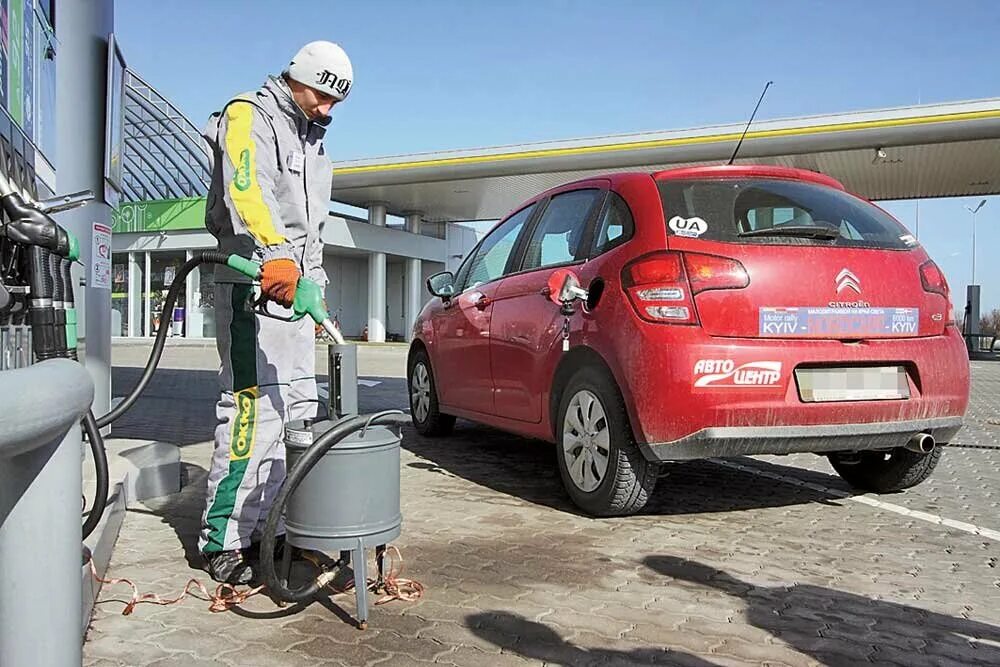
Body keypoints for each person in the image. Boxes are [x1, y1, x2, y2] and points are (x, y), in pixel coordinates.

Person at [198, 41, 352, 584]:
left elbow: (312, 225)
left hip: (295, 291)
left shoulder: (314, 142)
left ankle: (276, 526)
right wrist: (278, 256)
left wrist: (315, 283)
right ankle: (226, 539)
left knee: (297, 411)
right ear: (298, 78)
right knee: (252, 411)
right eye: (322, 94)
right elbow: (248, 188)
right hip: (251, 285)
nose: (327, 108)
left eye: (338, 101)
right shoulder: (249, 115)